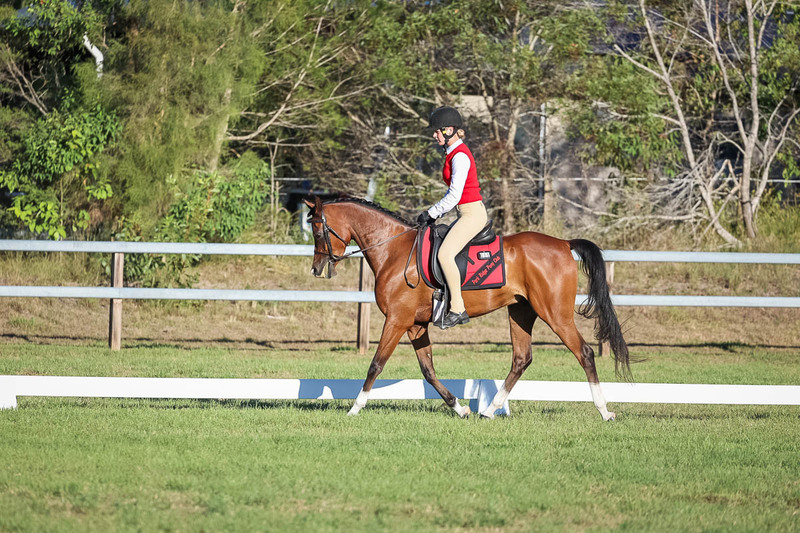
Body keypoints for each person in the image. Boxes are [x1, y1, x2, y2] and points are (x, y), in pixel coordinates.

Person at [417, 106, 488, 329]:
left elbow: (455, 194)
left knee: (445, 254)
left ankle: (457, 308)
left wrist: (431, 212)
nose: (434, 134)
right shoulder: (453, 153)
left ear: (448, 130)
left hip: (472, 214)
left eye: (437, 131)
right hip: (465, 212)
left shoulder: (460, 156)